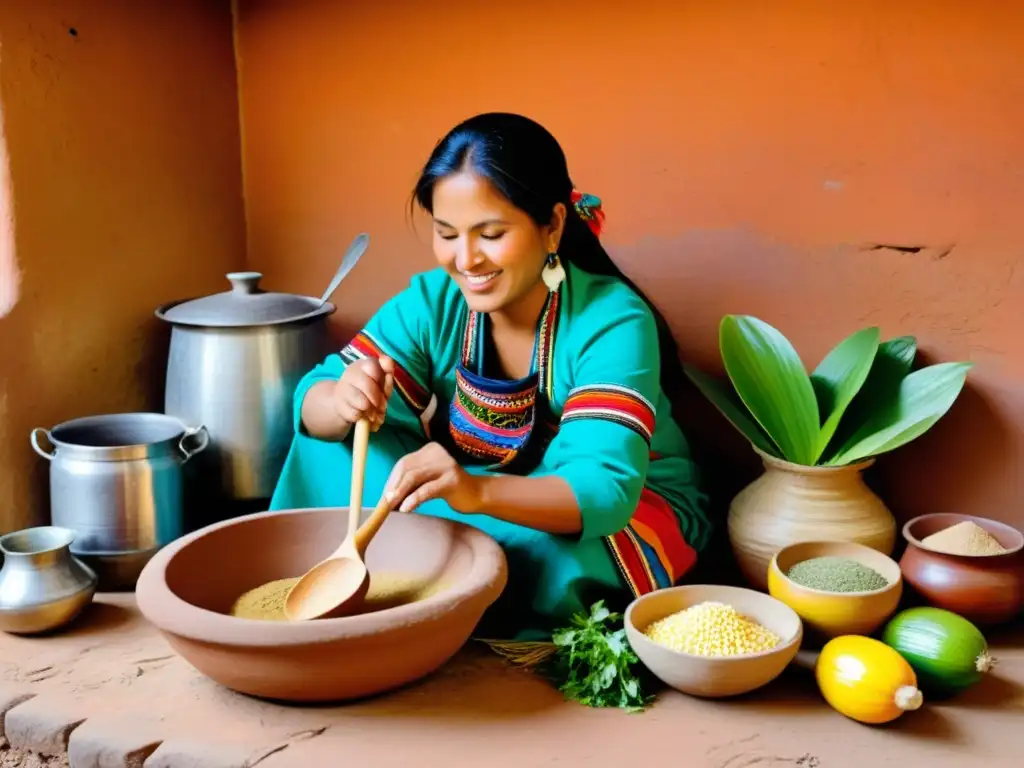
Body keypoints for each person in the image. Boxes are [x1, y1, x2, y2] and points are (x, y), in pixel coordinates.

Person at [269, 112, 710, 640]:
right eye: (446, 233)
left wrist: (474, 494)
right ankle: (440, 561)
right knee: (326, 447)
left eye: (491, 234)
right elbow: (309, 399)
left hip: (605, 514)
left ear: (552, 225)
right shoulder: (433, 299)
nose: (466, 259)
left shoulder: (611, 319)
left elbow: (603, 491)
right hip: (467, 495)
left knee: (555, 557)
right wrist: (342, 398)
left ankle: (430, 559)